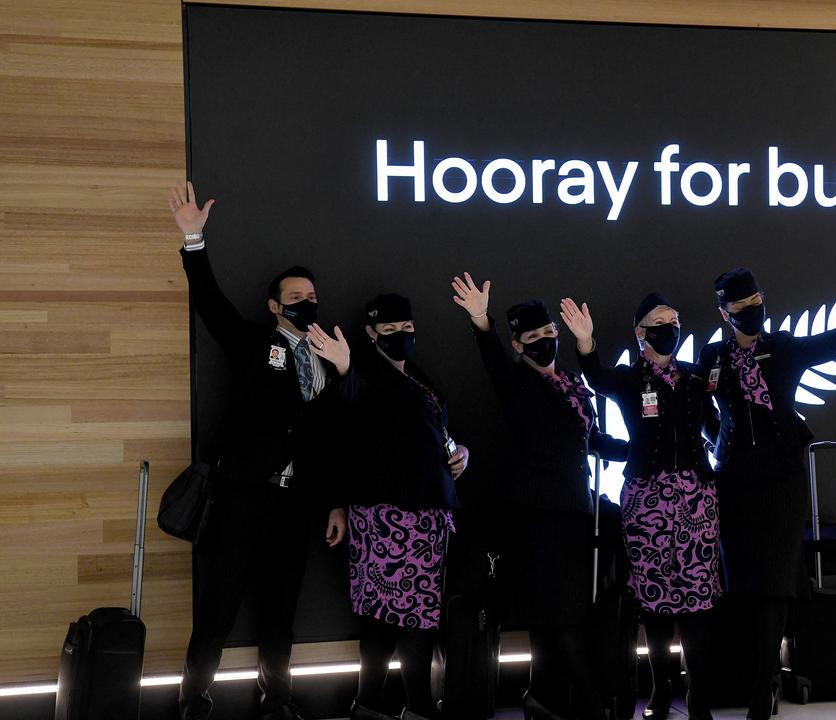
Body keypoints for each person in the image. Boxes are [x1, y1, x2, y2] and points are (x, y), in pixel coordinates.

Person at [697, 243, 836, 719]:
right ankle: (753, 674)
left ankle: (762, 689)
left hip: (781, 482)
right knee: (744, 586)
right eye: (742, 308)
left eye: (757, 303)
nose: (753, 312)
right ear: (723, 313)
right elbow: (699, 414)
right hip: (734, 483)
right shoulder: (713, 360)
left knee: (774, 583)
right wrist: (721, 440)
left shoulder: (785, 348)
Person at [168, 182, 350, 720]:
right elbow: (210, 303)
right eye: (295, 298)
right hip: (242, 498)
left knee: (281, 612)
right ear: (275, 305)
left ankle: (278, 701)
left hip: (297, 507)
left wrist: (335, 502)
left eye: (311, 296)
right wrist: (193, 238)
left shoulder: (330, 355)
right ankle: (193, 699)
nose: (306, 303)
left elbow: (335, 437)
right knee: (218, 610)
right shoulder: (252, 341)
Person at [450, 273, 627, 720]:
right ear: (518, 345)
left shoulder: (570, 384)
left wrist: (637, 449)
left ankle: (540, 698)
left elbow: (590, 440)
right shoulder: (517, 387)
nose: (546, 341)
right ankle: (591, 709)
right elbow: (492, 362)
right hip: (537, 517)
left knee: (556, 616)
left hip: (576, 514)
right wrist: (480, 320)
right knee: (560, 615)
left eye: (550, 333)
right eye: (534, 337)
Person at [559, 294, 720, 720]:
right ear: (640, 332)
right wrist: (586, 343)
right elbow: (597, 379)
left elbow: (717, 428)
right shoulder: (630, 380)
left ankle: (700, 695)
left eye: (675, 319)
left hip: (695, 497)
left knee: (698, 597)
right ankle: (662, 689)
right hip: (645, 500)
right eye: (659, 322)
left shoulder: (694, 378)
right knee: (656, 598)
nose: (670, 327)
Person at [313, 293, 470, 720]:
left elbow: (435, 431)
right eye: (390, 331)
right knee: (406, 616)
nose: (401, 336)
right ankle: (415, 706)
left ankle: (369, 703)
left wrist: (461, 453)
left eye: (407, 328)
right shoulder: (367, 376)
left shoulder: (420, 378)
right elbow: (348, 401)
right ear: (371, 334)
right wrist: (343, 365)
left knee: (391, 616)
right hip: (389, 516)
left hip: (427, 512)